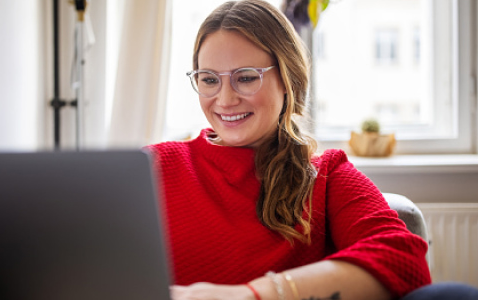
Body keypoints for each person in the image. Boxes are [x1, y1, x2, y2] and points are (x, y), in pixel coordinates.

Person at [147, 0, 477, 299]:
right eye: (209, 80)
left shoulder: (326, 174)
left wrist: (254, 295)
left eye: (246, 78)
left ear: (288, 78)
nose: (225, 99)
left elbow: (404, 260)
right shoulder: (154, 165)